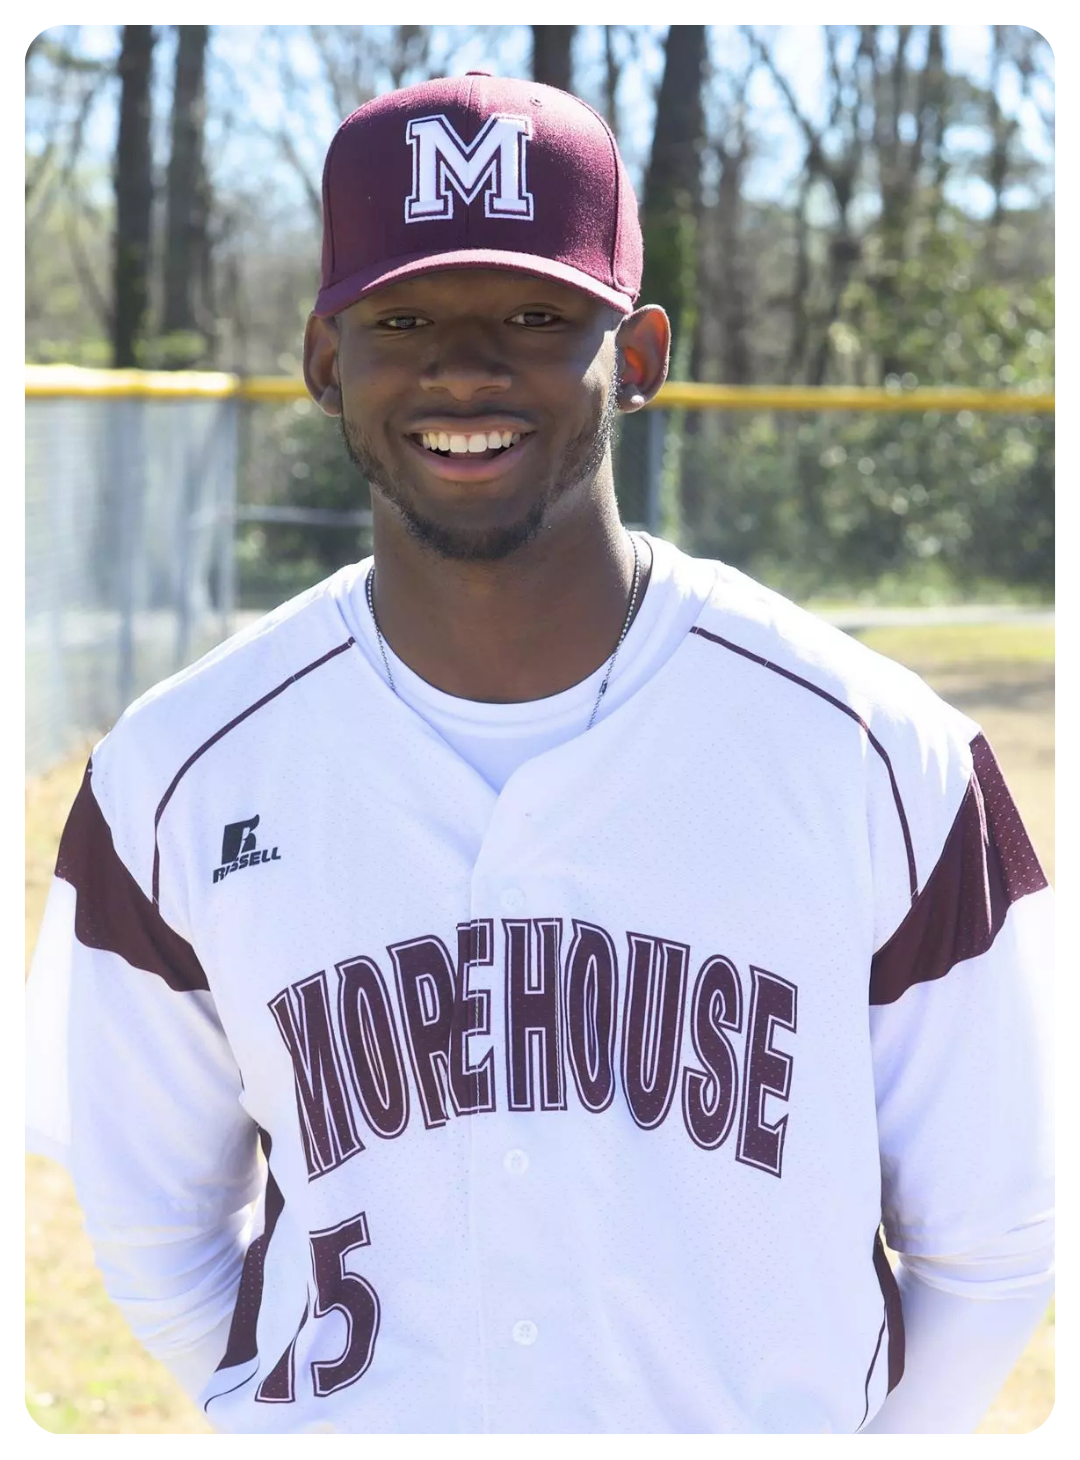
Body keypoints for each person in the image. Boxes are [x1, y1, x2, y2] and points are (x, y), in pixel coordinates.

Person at [24, 72, 1054, 1440]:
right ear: (326, 360)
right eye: (403, 320)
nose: (465, 368)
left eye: (534, 316)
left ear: (640, 355)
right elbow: (157, 1227)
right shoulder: (174, 773)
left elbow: (998, 1241)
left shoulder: (880, 752)